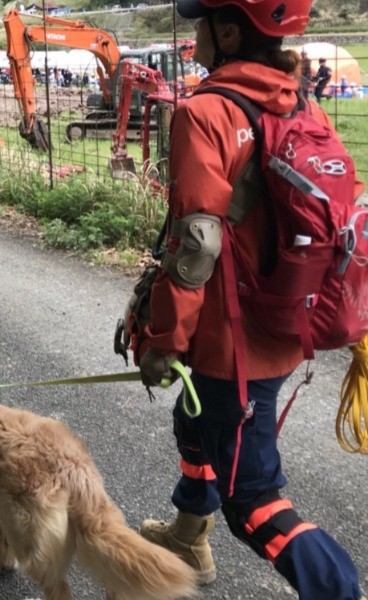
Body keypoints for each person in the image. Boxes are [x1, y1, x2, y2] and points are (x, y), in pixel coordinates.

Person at [134, 1, 367, 599]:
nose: (196, 33)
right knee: (195, 422)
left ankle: (339, 589)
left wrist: (163, 342)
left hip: (229, 343)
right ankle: (187, 536)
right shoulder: (299, 100)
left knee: (253, 497)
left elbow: (196, 246)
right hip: (288, 323)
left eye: (202, 21)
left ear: (229, 31)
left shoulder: (205, 112)